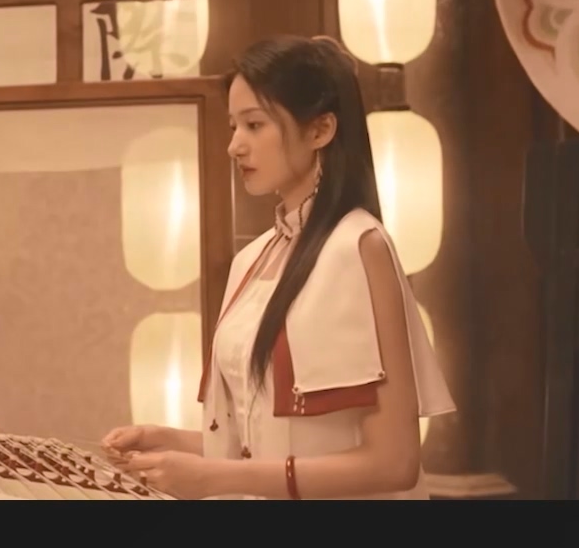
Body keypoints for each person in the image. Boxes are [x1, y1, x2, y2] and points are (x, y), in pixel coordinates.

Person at [104, 35, 453, 499]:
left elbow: (394, 463)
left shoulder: (358, 246)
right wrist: (165, 440)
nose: (234, 146)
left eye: (254, 125)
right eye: (233, 126)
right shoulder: (251, 260)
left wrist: (210, 478)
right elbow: (261, 446)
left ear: (320, 130)